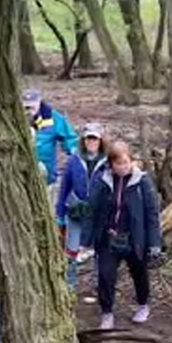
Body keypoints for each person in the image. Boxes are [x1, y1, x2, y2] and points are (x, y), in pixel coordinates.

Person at [81, 141, 162, 330]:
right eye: (118, 164)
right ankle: (107, 313)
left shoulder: (143, 182)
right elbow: (91, 210)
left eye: (126, 163)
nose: (123, 167)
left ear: (132, 162)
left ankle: (143, 305)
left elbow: (152, 214)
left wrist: (155, 243)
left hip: (135, 238)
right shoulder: (103, 181)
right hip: (109, 237)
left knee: (139, 274)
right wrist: (86, 240)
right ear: (111, 164)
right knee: (106, 276)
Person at [57, 122, 107, 292]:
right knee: (72, 248)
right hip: (77, 210)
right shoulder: (74, 160)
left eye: (95, 139)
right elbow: (64, 187)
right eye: (88, 139)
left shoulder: (107, 162)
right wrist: (60, 214)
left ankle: (99, 283)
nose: (91, 142)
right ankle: (70, 284)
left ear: (101, 141)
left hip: (99, 212)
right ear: (83, 141)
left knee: (99, 249)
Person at [22, 88, 79, 190]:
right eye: (26, 105)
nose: (29, 108)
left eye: (32, 104)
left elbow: (70, 139)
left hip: (46, 177)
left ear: (39, 102)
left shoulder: (53, 118)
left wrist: (75, 153)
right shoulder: (15, 119)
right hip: (20, 176)